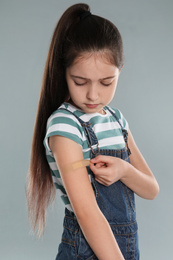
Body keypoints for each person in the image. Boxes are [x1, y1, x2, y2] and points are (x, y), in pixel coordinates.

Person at [26, 3, 159, 260]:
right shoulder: (64, 125)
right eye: (80, 81)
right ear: (63, 73)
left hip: (126, 247)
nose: (93, 95)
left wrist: (124, 170)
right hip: (86, 249)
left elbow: (151, 189)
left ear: (120, 71)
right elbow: (87, 214)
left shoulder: (117, 120)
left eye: (106, 82)